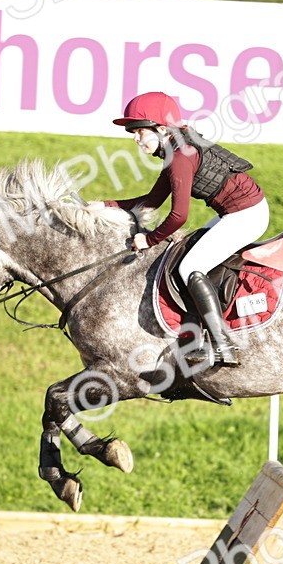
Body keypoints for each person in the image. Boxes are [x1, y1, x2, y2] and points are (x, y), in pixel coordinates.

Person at [94, 91, 268, 368]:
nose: (136, 139)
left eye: (139, 132)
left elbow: (179, 216)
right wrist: (103, 206)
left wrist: (149, 240)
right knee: (189, 256)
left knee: (189, 268)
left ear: (161, 129)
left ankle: (224, 344)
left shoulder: (179, 157)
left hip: (247, 215)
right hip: (236, 212)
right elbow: (151, 202)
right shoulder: (175, 148)